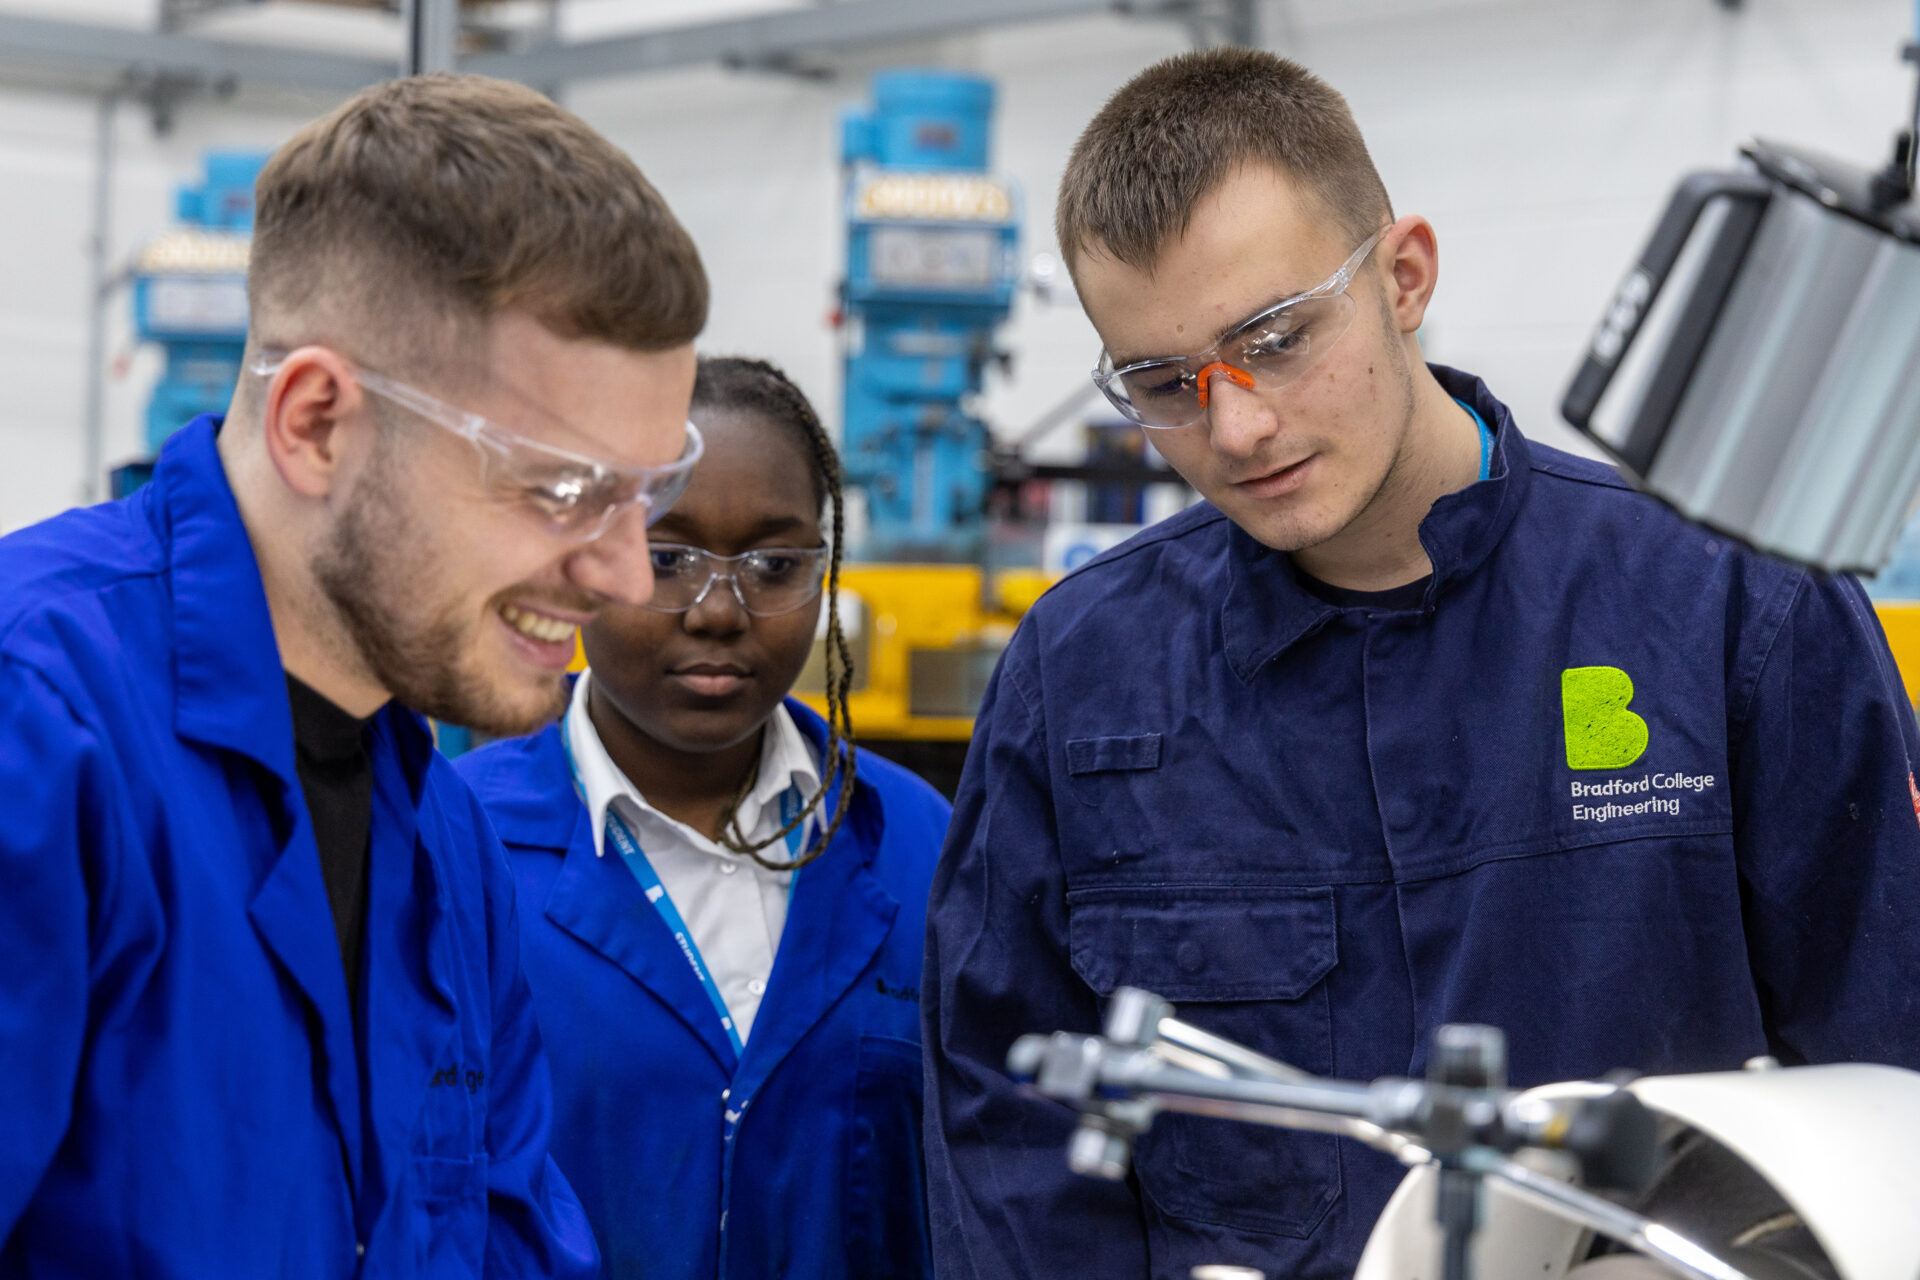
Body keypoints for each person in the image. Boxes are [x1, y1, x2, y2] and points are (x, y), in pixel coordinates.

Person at [922, 47, 1920, 1280]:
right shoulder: (1082, 680)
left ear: (1404, 276)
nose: (1236, 426)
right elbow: (1010, 1145)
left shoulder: (1730, 604)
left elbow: (1890, 1085)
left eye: (1275, 338)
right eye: (1163, 382)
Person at [0, 73, 710, 1276]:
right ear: (319, 422)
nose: (630, 575)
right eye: (563, 488)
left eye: (647, 494)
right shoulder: (42, 729)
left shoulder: (441, 831)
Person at [456, 356, 952, 1280]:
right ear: (587, 552)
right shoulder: (456, 845)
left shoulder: (918, 845)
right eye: (667, 558)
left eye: (773, 565)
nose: (721, 611)